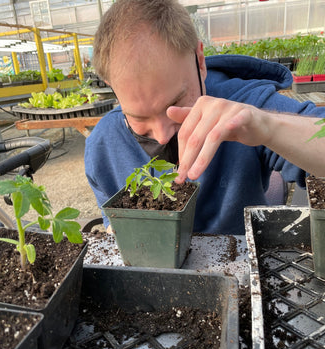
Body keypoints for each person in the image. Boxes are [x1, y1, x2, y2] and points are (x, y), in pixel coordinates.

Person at [84, 0, 325, 235]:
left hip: (238, 260)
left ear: (199, 61)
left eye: (175, 103)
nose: (162, 135)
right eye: (139, 118)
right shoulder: (102, 147)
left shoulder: (244, 103)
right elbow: (112, 226)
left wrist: (267, 126)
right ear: (112, 86)